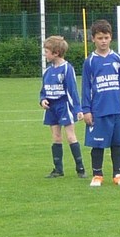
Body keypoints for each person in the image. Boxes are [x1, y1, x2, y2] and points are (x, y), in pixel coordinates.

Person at [80, 19, 120, 187]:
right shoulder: (90, 61)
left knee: (117, 144)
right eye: (100, 38)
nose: (103, 41)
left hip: (116, 109)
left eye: (106, 38)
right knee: (97, 144)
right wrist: (86, 110)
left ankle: (118, 174)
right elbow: (86, 87)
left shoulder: (118, 59)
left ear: (111, 38)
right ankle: (97, 175)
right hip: (98, 110)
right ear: (93, 39)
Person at [39, 35, 86, 178]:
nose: (45, 54)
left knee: (70, 136)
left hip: (64, 106)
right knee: (56, 137)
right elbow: (43, 91)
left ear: (56, 53)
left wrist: (77, 109)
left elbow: (72, 91)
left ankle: (80, 169)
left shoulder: (67, 69)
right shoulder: (47, 71)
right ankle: (58, 169)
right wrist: (43, 100)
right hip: (51, 108)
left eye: (46, 52)